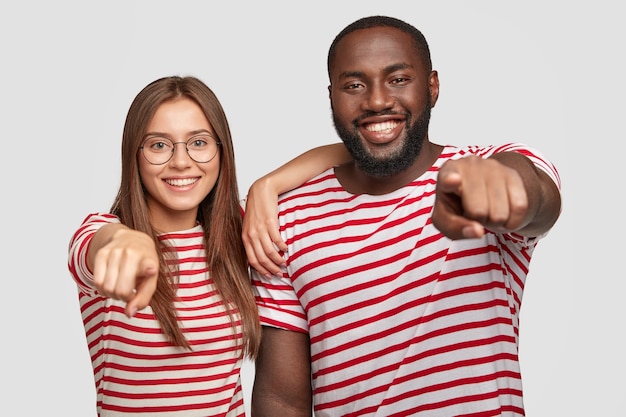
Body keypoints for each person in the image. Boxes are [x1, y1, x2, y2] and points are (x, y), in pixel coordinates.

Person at [243, 15, 562, 416]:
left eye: (398, 79)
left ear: (432, 87)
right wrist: (266, 185)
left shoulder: (482, 168)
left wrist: (500, 191)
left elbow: (536, 200)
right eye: (354, 85)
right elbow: (281, 400)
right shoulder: (286, 216)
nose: (376, 100)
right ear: (331, 96)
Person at [67, 75, 349, 416]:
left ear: (221, 150)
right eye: (159, 145)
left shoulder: (236, 233)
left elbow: (349, 152)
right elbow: (97, 246)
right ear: (135, 155)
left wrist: (267, 185)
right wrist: (126, 242)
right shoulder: (104, 232)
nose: (181, 162)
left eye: (198, 142)